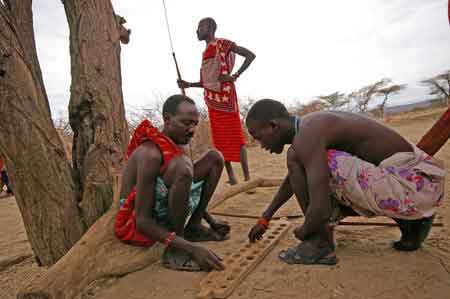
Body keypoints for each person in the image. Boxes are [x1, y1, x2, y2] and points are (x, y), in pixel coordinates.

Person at [245, 99, 445, 265]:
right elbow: (292, 180)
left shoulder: (306, 137)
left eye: (259, 137)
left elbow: (320, 206)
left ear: (273, 126)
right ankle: (414, 225)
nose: (261, 145)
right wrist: (266, 217)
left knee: (299, 158)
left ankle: (319, 244)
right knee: (309, 163)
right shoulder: (311, 125)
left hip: (410, 190)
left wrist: (306, 230)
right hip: (422, 186)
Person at [115, 95, 230, 271]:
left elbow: (185, 188)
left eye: (195, 124)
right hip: (137, 217)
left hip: (163, 203)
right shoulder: (149, 154)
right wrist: (190, 248)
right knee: (184, 167)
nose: (192, 130)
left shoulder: (177, 144)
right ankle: (176, 248)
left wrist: (210, 220)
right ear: (167, 120)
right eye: (186, 123)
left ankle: (194, 226)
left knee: (215, 158)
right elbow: (142, 221)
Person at [177, 17, 256, 185]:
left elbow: (250, 55)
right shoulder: (205, 53)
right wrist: (188, 84)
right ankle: (232, 177)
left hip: (226, 98)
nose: (197, 31)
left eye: (200, 27)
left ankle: (247, 178)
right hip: (212, 101)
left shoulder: (223, 44)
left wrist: (235, 75)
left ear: (210, 27)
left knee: (236, 136)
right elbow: (206, 82)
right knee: (219, 139)